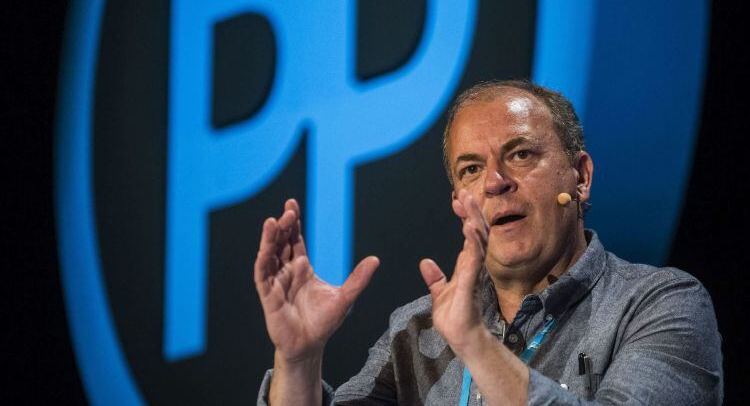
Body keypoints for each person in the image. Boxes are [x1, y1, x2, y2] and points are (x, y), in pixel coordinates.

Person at [254, 80, 723, 406]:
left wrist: (475, 345)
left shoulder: (657, 305)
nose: (495, 183)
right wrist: (299, 360)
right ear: (459, 200)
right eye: (471, 169)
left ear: (580, 178)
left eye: (520, 154)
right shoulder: (417, 332)